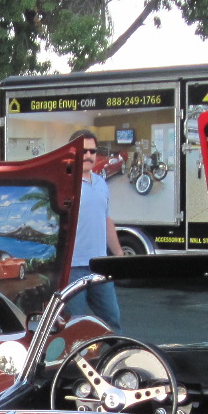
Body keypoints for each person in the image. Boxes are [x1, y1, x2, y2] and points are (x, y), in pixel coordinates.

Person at [62, 134, 124, 331]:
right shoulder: (64, 184)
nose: (88, 155)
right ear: (73, 153)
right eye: (84, 151)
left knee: (112, 322)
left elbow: (106, 220)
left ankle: (116, 352)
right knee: (74, 327)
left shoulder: (101, 183)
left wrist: (119, 256)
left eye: (92, 151)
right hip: (72, 268)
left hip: (99, 266)